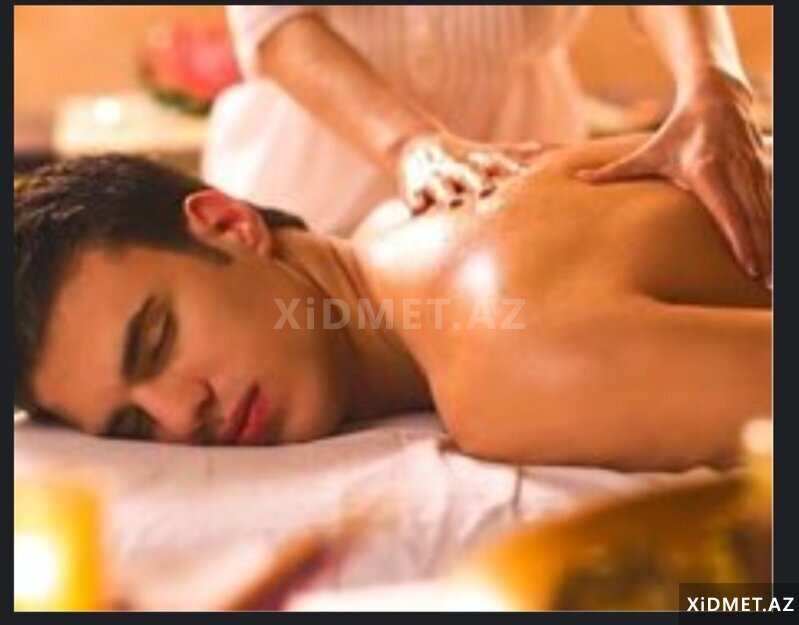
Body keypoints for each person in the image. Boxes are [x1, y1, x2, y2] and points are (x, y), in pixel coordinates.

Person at [14, 134, 771, 471]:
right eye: (135, 425)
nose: (182, 416)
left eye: (156, 340)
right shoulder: (400, 222)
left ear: (227, 224)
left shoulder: (502, 367)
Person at [205, 5, 771, 286]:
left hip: (517, 175)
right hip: (310, 181)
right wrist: (409, 145)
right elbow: (279, 25)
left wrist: (711, 80)